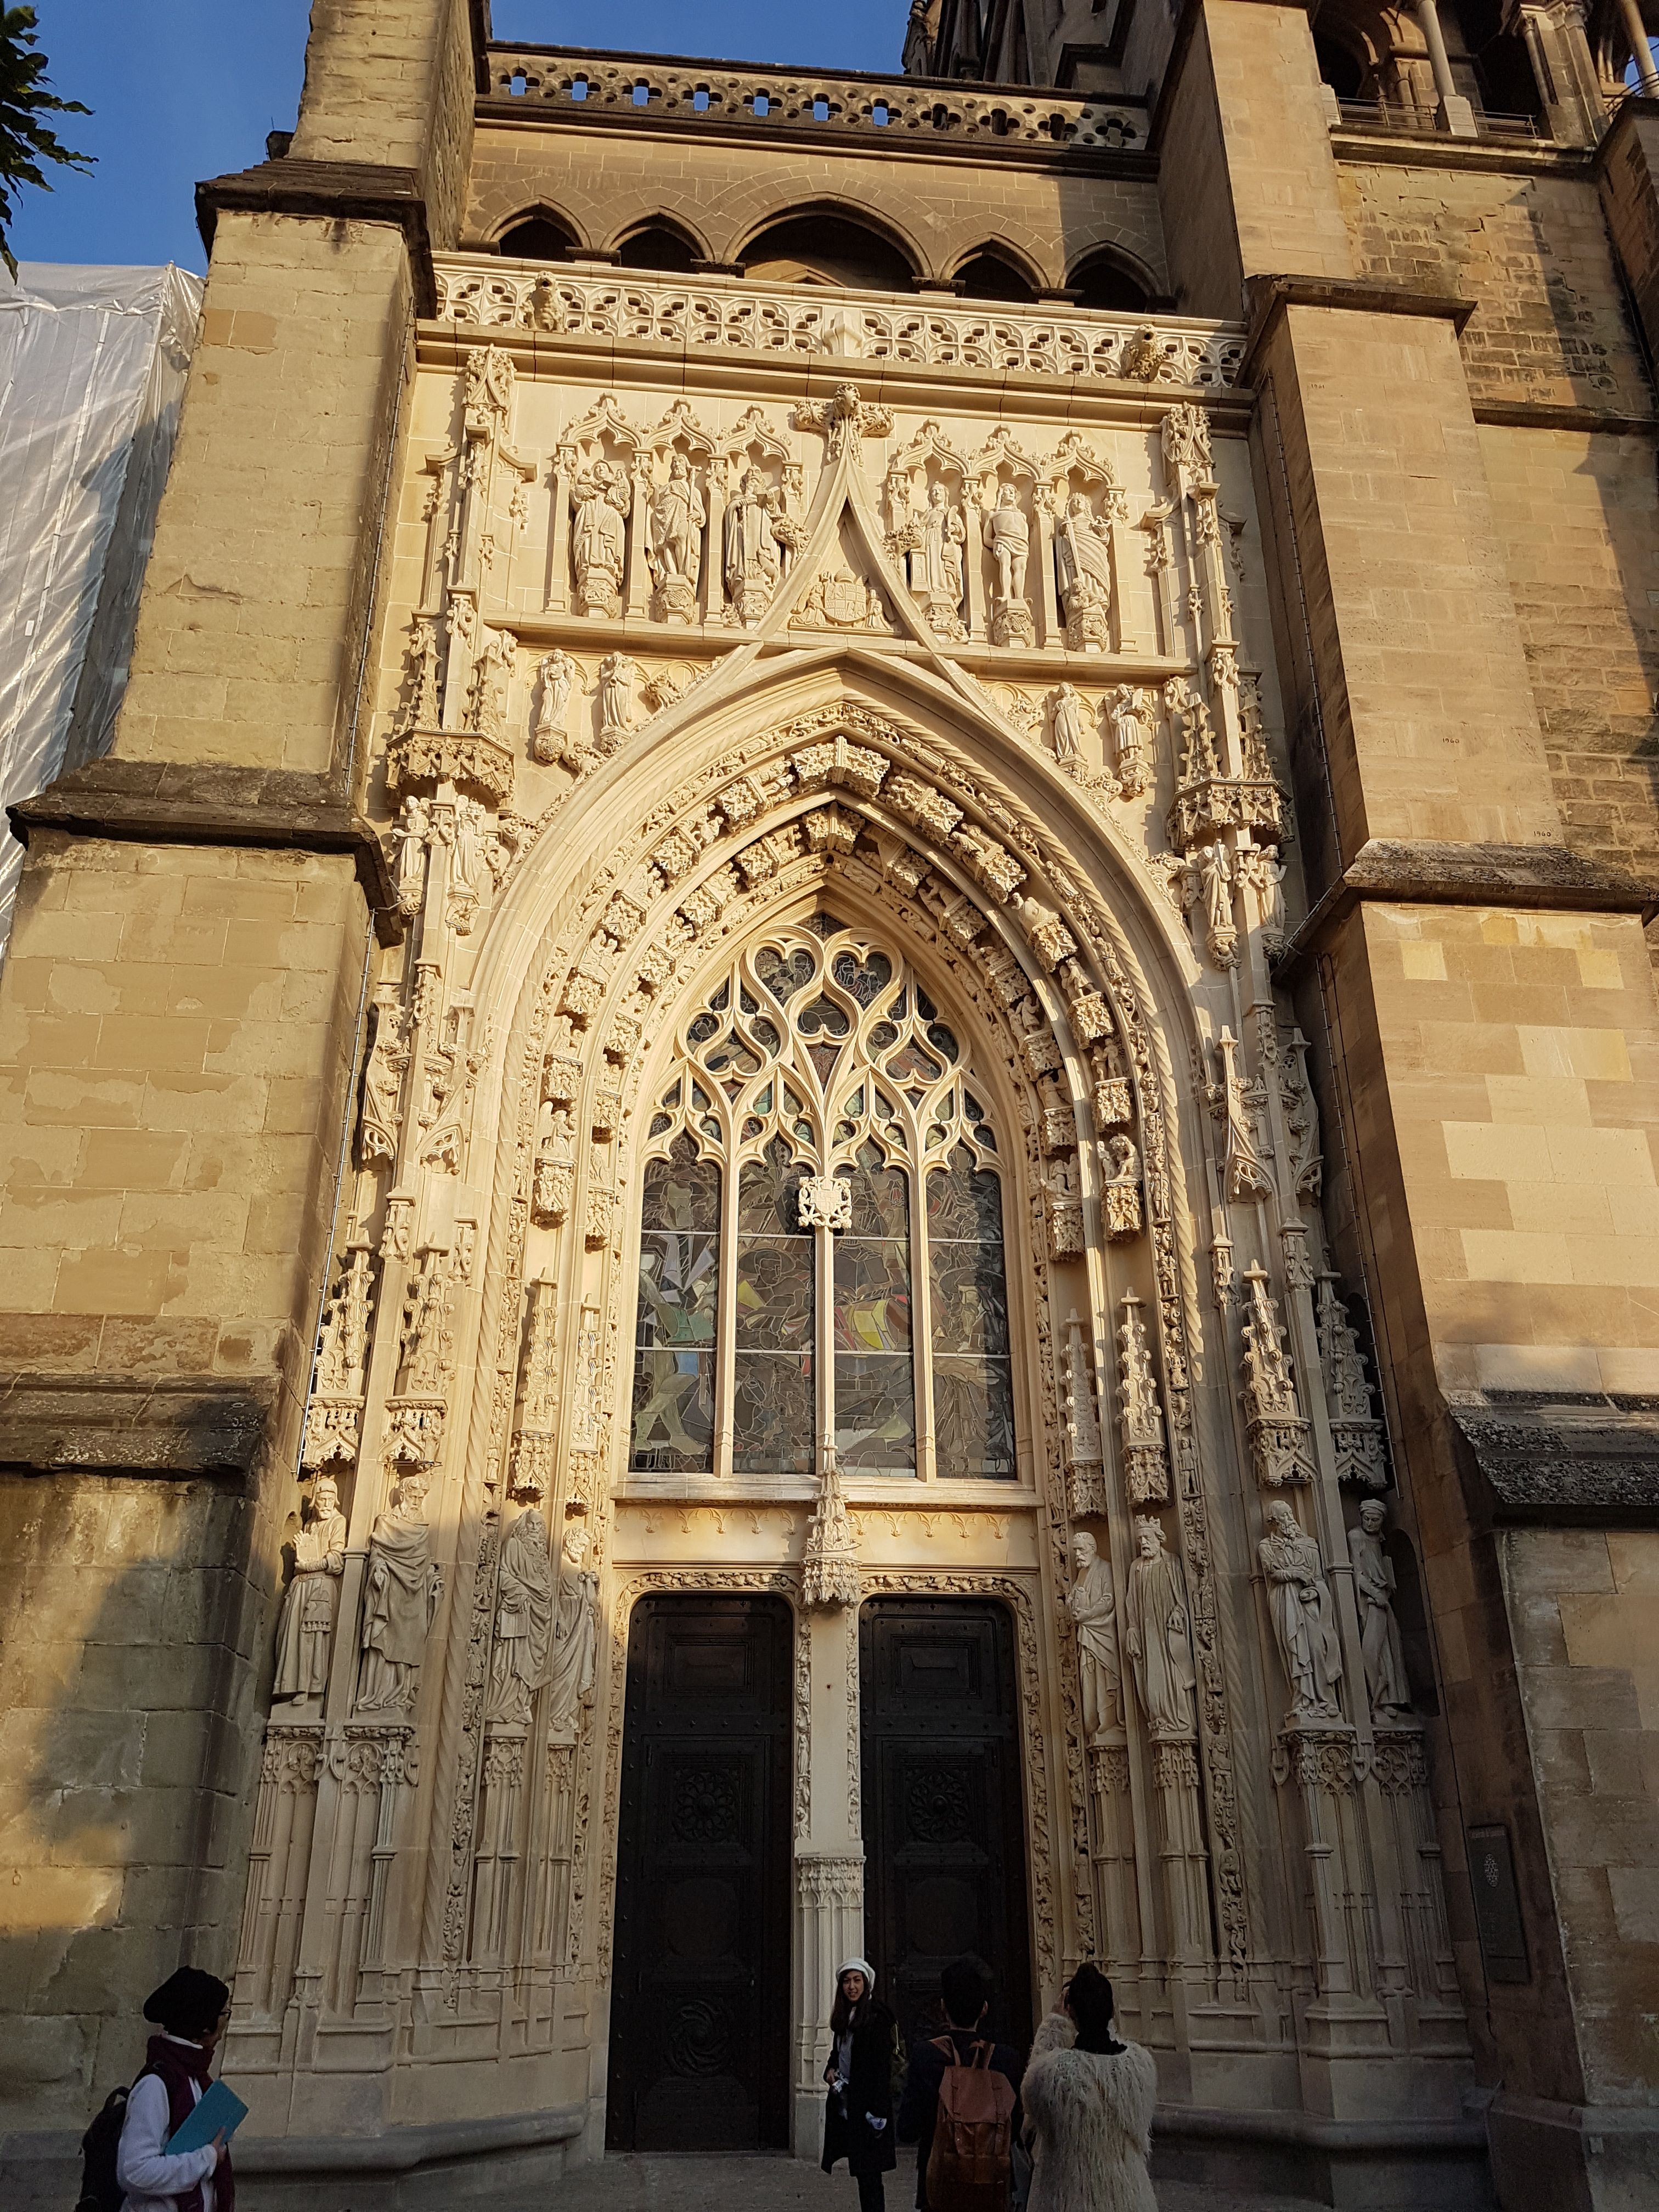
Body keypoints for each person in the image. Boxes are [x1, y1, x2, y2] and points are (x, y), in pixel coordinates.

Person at [1020, 1963, 1155, 2212]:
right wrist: (1100, 2016)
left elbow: (1030, 2108)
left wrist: (1053, 2025)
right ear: (1111, 2011)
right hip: (1129, 2198)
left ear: (1070, 2010)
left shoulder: (1053, 2074)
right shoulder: (1139, 2065)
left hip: (1071, 2198)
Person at [898, 1953, 1023, 2210]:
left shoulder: (926, 2056)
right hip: (992, 2185)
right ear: (985, 2008)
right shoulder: (1006, 2060)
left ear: (943, 2007)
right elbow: (1016, 2126)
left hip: (942, 2184)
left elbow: (908, 2129)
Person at [115, 1966, 233, 2212]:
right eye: (225, 2013)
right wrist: (207, 2159)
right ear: (204, 2025)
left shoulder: (196, 2078)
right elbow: (134, 2171)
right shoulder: (156, 2085)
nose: (226, 2021)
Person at [821, 1956, 899, 2212]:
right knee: (864, 2174)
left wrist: (875, 2113)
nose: (851, 1987)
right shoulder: (844, 2019)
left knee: (870, 2176)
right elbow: (838, 2054)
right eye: (846, 1981)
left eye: (856, 1981)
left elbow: (880, 2070)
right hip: (850, 2106)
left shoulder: (876, 2019)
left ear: (866, 1984)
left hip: (868, 2110)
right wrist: (830, 2070)